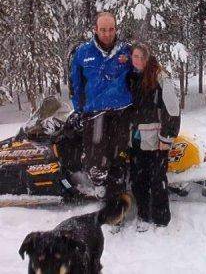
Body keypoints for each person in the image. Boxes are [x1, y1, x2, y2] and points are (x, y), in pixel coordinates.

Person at [69, 12, 133, 203]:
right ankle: (102, 191)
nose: (107, 33)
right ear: (95, 29)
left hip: (122, 113)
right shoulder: (82, 53)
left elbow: (141, 76)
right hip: (95, 114)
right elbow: (76, 85)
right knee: (95, 164)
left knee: (119, 160)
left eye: (111, 29)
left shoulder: (127, 51)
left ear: (116, 29)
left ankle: (116, 206)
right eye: (103, 29)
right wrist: (79, 110)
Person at [129, 43, 180, 231]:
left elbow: (173, 110)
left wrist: (167, 137)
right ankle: (143, 215)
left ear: (149, 57)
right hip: (136, 138)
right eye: (135, 56)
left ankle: (161, 218)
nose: (139, 60)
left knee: (157, 180)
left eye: (142, 57)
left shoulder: (160, 77)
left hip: (157, 140)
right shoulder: (132, 76)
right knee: (138, 179)